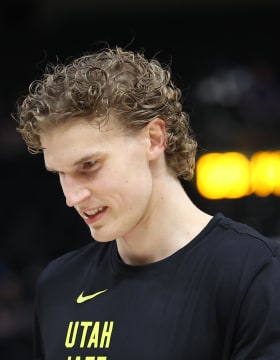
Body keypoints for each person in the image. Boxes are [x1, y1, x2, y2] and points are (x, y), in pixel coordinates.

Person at [16, 47, 280, 359]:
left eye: (88, 166)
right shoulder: (58, 284)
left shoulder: (255, 271)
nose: (72, 197)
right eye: (61, 173)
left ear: (154, 139)